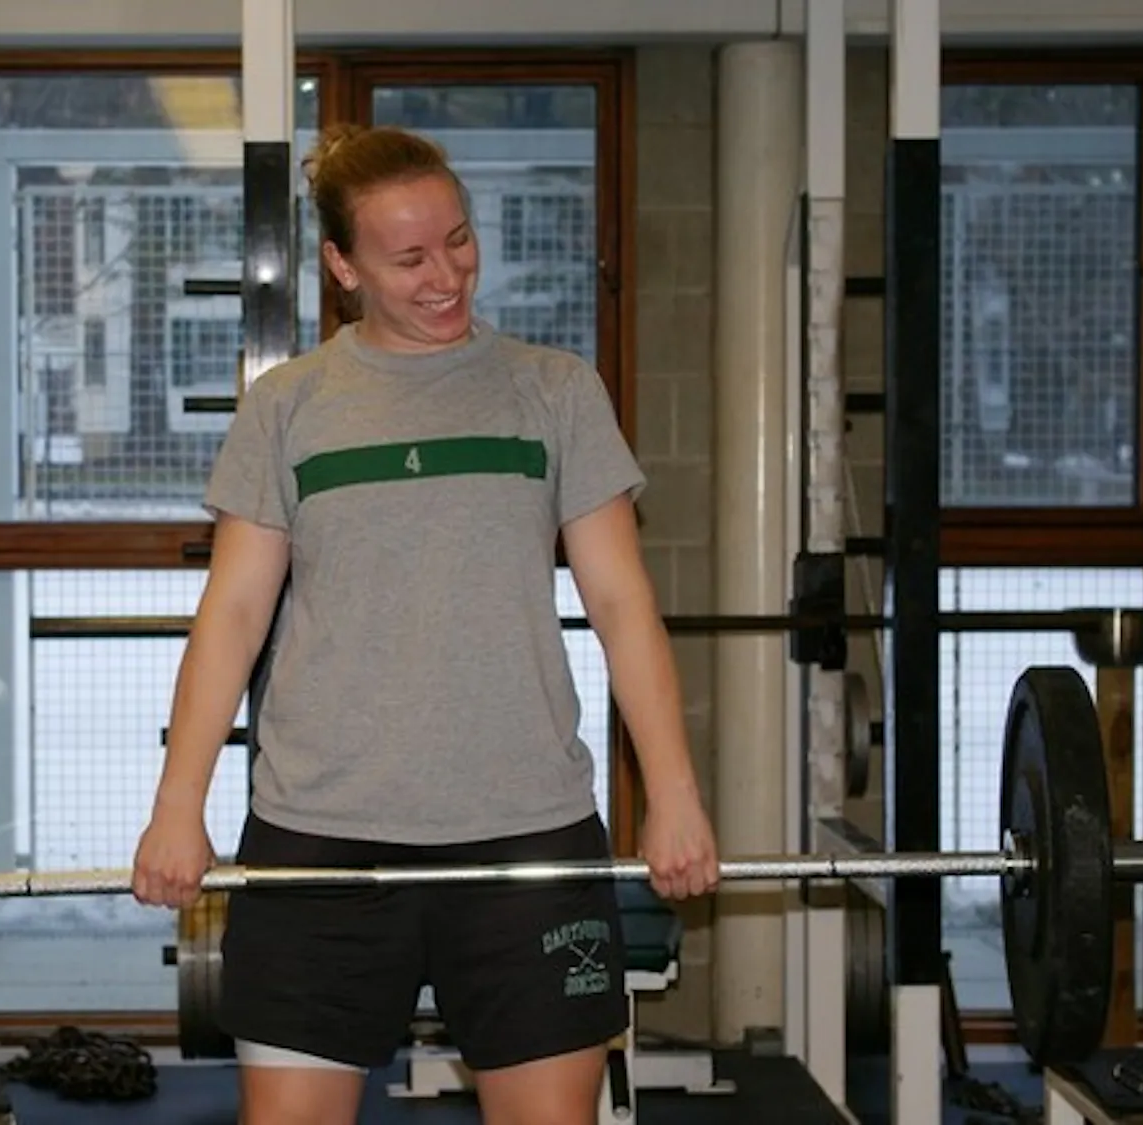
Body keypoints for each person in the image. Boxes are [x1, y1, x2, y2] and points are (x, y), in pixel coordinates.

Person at [132, 123, 719, 1125]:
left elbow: (621, 605)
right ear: (340, 265)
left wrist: (673, 794)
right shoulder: (288, 408)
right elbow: (232, 615)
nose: (445, 275)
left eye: (456, 240)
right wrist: (177, 804)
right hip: (319, 840)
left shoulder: (554, 391)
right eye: (407, 258)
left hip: (526, 839)